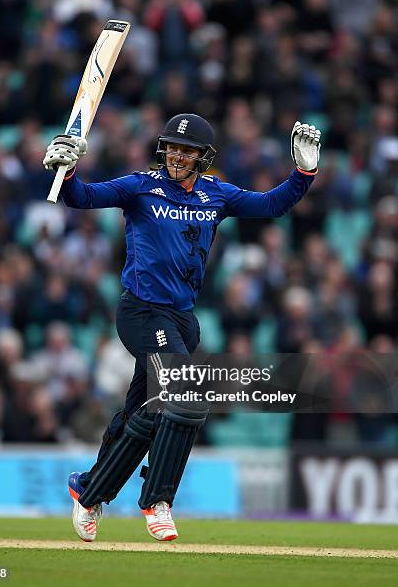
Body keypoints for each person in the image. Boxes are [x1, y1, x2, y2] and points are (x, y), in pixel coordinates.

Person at [43, 113, 321, 542]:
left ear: (201, 157)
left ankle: (89, 489)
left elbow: (270, 205)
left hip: (181, 322)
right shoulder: (141, 186)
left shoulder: (216, 194)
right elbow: (81, 197)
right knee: (186, 397)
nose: (177, 155)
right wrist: (68, 168)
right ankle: (157, 501)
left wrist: (303, 174)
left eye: (187, 150)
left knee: (145, 413)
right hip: (141, 312)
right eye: (172, 147)